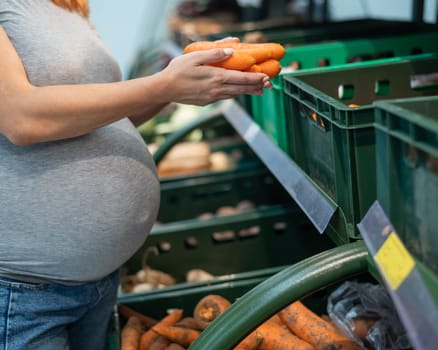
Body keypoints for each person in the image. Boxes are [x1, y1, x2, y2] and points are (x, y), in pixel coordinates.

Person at [0, 1, 271, 349]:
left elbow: (105, 116)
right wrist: (162, 86)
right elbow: (22, 119)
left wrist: (179, 82)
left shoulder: (64, 4)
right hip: (24, 295)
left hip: (95, 285)